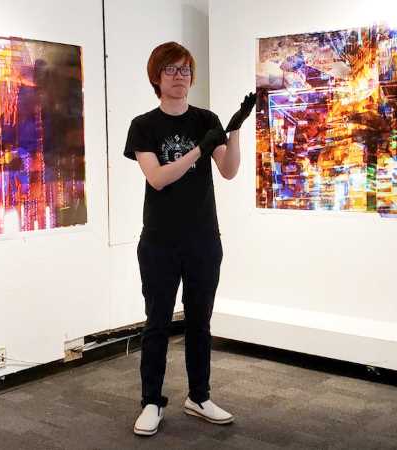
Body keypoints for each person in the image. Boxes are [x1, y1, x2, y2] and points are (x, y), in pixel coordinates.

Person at [123, 41, 255, 437]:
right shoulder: (144, 125)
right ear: (156, 77)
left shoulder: (206, 119)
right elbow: (158, 178)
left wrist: (233, 130)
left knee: (200, 321)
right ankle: (151, 401)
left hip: (202, 239)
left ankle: (199, 396)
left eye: (184, 70)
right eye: (171, 70)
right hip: (160, 242)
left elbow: (229, 171)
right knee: (157, 323)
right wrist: (201, 146)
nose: (179, 77)